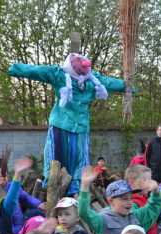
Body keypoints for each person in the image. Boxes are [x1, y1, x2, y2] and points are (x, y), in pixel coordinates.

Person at [8, 53, 129, 194]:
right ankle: (53, 183)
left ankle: (74, 187)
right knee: (57, 156)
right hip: (61, 126)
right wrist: (16, 68)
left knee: (78, 159)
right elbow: (37, 71)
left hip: (79, 129)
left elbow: (109, 83)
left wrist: (126, 86)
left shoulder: (91, 80)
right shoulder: (61, 75)